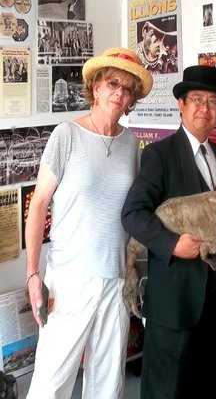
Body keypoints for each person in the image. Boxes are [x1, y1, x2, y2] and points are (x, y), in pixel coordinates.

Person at [25, 47, 153, 398]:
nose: (120, 93)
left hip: (114, 280)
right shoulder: (65, 135)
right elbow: (37, 206)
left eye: (128, 90)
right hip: (69, 281)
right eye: (113, 83)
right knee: (51, 385)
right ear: (95, 87)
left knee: (107, 387)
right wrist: (33, 275)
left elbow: (132, 212)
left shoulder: (131, 144)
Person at [121, 65, 216, 399]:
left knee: (207, 386)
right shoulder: (160, 155)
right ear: (181, 105)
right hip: (174, 300)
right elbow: (132, 214)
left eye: (213, 102)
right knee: (167, 389)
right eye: (197, 100)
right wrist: (174, 244)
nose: (205, 109)